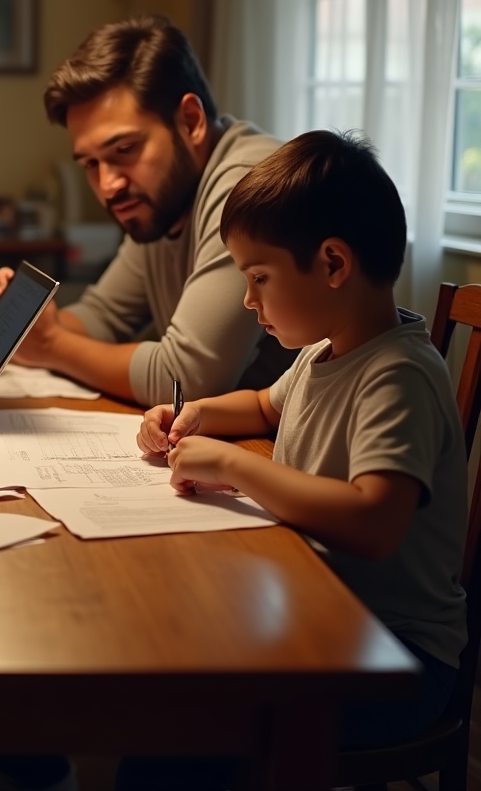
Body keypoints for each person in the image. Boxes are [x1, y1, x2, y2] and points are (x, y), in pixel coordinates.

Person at [121, 129, 466, 788]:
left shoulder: (398, 375)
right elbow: (265, 406)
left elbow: (374, 522)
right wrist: (197, 413)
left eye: (258, 277)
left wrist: (233, 466)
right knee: (169, 688)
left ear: (333, 264)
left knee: (175, 738)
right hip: (323, 617)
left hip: (398, 657)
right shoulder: (324, 352)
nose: (249, 301)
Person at [0, 16, 295, 409]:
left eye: (125, 150)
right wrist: (20, 333)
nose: (108, 185)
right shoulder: (162, 202)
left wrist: (51, 345)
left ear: (190, 121)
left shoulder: (247, 186)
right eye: (91, 164)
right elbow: (103, 317)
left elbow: (184, 380)